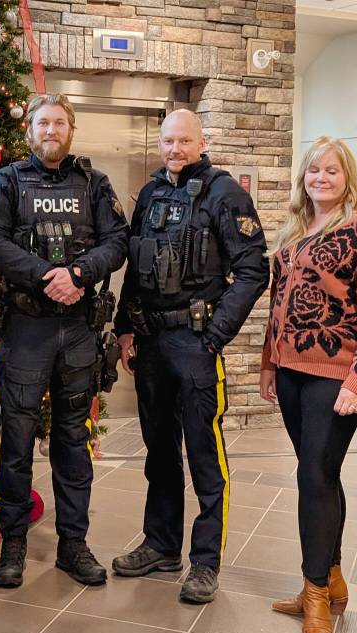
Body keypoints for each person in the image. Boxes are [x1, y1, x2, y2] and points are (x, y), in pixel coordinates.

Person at [111, 109, 269, 604]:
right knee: (159, 451)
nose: (175, 149)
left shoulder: (225, 193)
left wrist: (216, 336)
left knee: (204, 454)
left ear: (202, 142)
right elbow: (135, 267)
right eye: (167, 141)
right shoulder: (151, 193)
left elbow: (253, 271)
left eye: (184, 141)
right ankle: (161, 545)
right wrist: (123, 329)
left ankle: (205, 561)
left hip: (197, 343)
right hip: (152, 342)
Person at [0, 93, 128, 588]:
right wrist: (47, 276)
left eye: (59, 122)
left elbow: (118, 241)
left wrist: (78, 273)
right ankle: (13, 544)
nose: (51, 130)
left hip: (79, 329)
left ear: (71, 130)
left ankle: (73, 545)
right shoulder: (8, 180)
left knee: (73, 440)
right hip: (26, 327)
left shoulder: (94, 183)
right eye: (43, 122)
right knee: (17, 440)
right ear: (30, 130)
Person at [259, 136, 357, 633]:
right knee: (321, 474)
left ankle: (314, 591)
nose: (321, 177)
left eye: (331, 170)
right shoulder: (296, 229)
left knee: (313, 475)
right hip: (290, 370)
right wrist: (269, 362)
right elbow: (279, 300)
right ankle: (332, 577)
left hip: (335, 374)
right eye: (313, 170)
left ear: (348, 178)